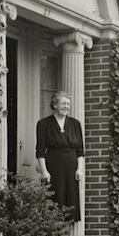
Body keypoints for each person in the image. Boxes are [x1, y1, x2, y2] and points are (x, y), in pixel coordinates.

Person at [36, 92, 84, 222]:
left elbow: (80, 150)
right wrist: (44, 171)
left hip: (71, 169)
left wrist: (80, 169)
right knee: (53, 203)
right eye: (63, 103)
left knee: (70, 205)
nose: (66, 106)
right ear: (55, 104)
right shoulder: (43, 124)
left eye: (68, 104)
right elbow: (40, 151)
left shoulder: (75, 124)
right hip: (53, 168)